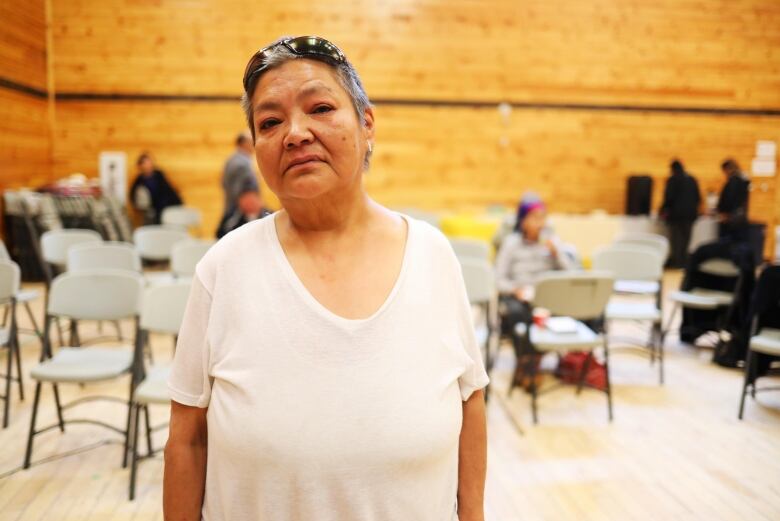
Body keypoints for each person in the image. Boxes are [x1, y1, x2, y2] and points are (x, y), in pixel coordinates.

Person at [164, 36, 489, 521]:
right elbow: (186, 441)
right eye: (270, 122)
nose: (295, 133)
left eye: (319, 107)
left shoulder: (433, 256)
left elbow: (470, 403)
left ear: (367, 123)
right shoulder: (224, 267)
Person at [495, 196, 577, 390]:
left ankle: (534, 363)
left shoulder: (551, 242)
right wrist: (516, 290)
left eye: (543, 218)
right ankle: (527, 363)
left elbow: (572, 274)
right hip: (520, 296)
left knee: (564, 311)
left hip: (547, 296)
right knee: (517, 313)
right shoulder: (511, 243)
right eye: (534, 218)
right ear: (523, 220)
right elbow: (499, 279)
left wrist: (557, 253)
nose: (540, 223)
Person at [216, 131, 268, 237]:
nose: (253, 145)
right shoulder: (241, 164)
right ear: (243, 143)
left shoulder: (232, 160)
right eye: (250, 142)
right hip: (240, 211)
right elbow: (246, 191)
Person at [659, 159, 701, 268]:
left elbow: (669, 198)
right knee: (686, 239)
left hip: (676, 216)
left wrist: (662, 210)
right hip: (690, 215)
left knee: (676, 239)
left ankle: (676, 262)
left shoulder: (673, 180)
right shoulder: (692, 179)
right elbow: (698, 198)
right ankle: (683, 261)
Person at [129, 152, 182, 224]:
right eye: (145, 163)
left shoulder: (159, 175)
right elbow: (132, 195)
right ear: (140, 165)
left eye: (149, 162)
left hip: (165, 206)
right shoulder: (139, 180)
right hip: (151, 210)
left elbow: (168, 190)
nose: (148, 165)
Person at [716, 158, 750, 240]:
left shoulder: (734, 181)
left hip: (731, 217)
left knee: (727, 242)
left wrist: (725, 213)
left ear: (728, 169)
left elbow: (729, 198)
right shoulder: (743, 180)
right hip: (739, 217)